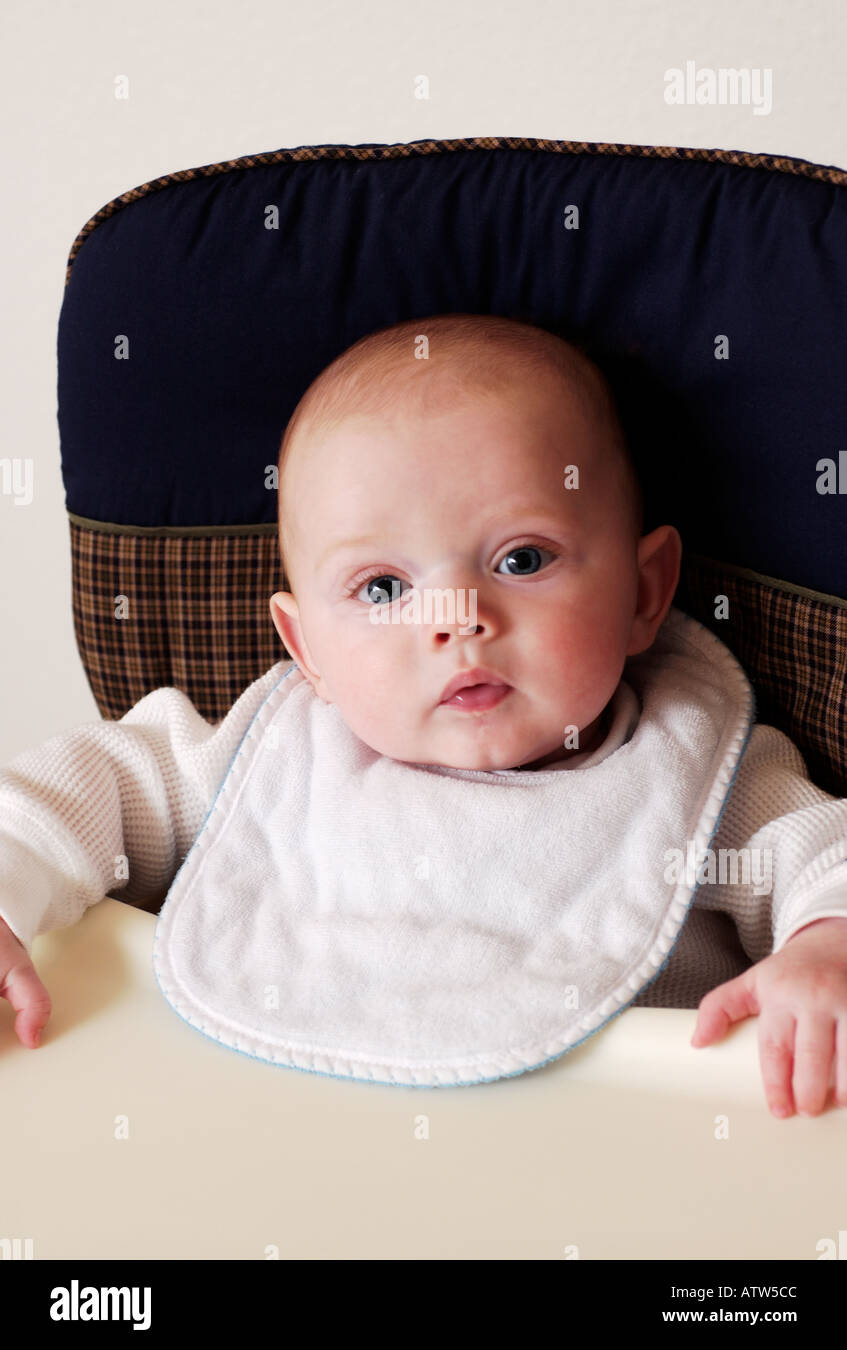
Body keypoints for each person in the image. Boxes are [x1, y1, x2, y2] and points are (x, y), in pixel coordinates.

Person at [2, 314, 847, 1111]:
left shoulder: (698, 774)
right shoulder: (266, 756)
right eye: (382, 588)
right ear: (307, 651)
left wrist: (824, 949)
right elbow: (87, 789)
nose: (453, 617)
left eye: (521, 558)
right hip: (274, 1138)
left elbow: (824, 857)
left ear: (644, 592)